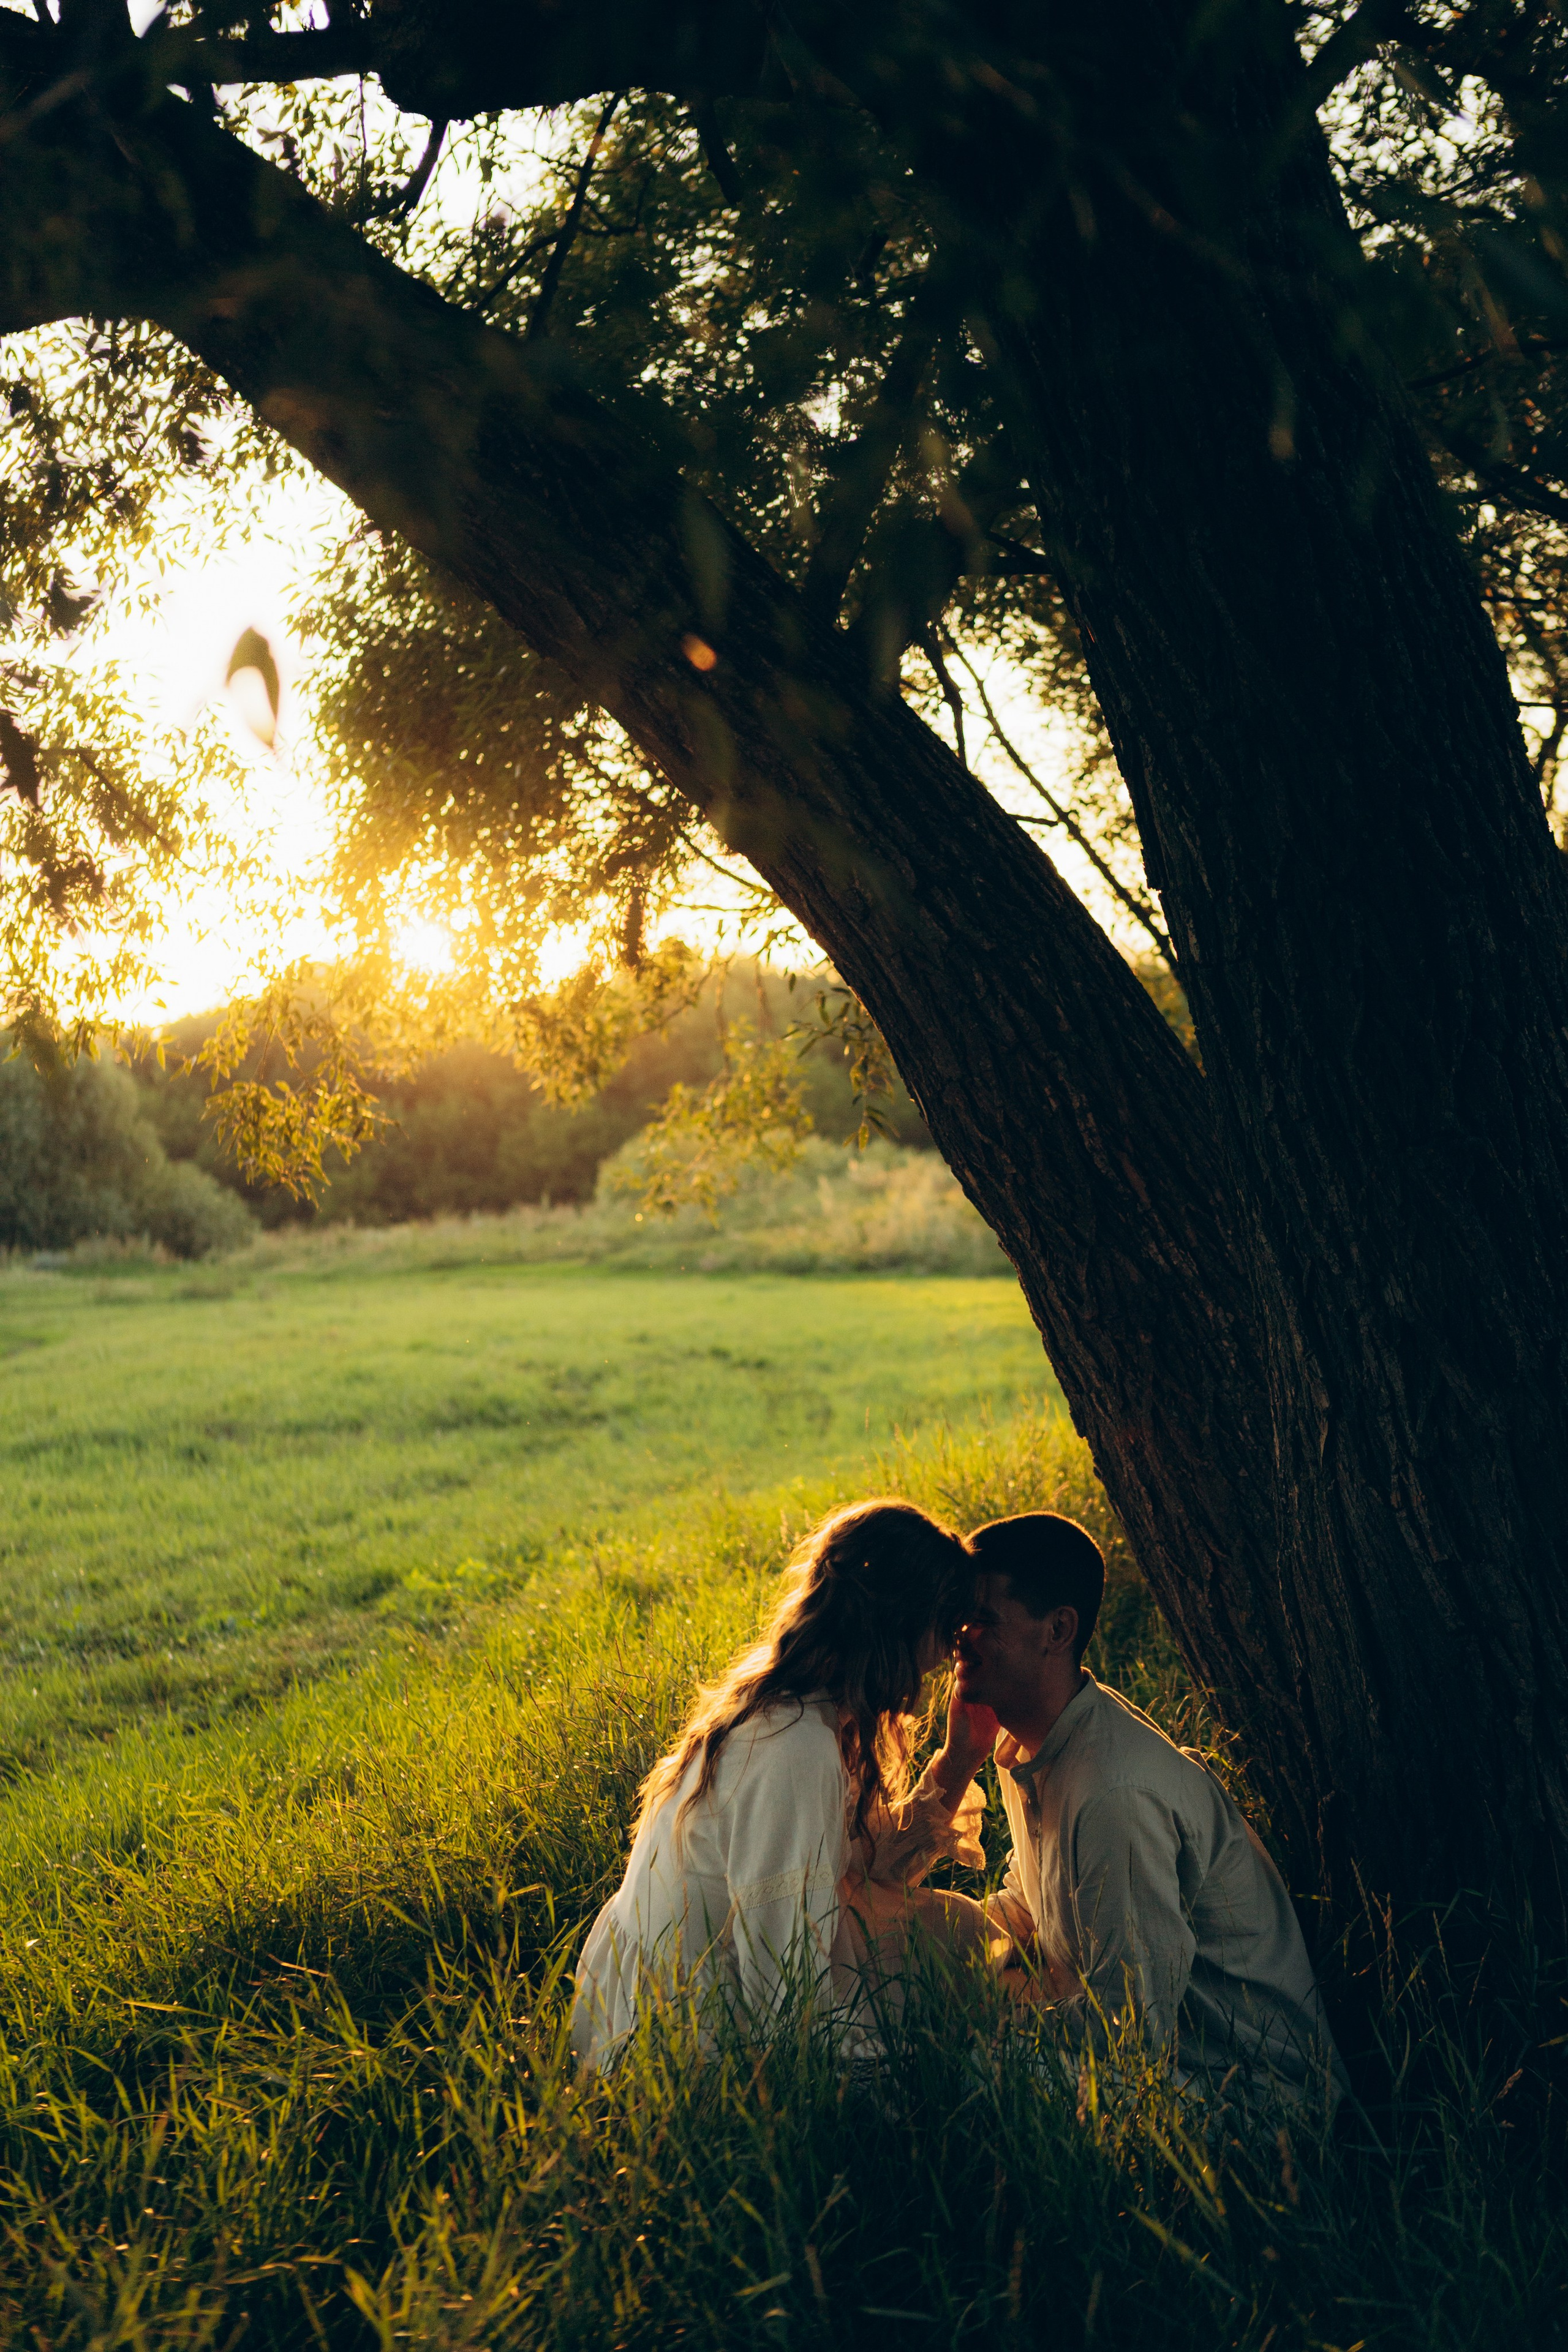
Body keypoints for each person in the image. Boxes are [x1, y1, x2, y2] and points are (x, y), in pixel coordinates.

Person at [571, 1498, 997, 2071]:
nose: (947, 1655)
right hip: (684, 2030)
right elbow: (783, 1986)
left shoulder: (796, 1701)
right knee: (955, 2058)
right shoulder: (794, 1748)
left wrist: (961, 1757)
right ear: (900, 1625)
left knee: (961, 1931)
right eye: (945, 1630)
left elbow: (861, 1868)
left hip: (696, 1977)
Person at [948, 1510, 1348, 2107]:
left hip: (1253, 2100)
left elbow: (1130, 2030)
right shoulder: (1030, 1743)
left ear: (1057, 1630)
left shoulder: (1114, 1794)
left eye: (981, 1619)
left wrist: (990, 2005)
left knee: (970, 2068)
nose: (958, 1635)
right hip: (1171, 2064)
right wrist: (927, 1945)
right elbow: (1033, 1904)